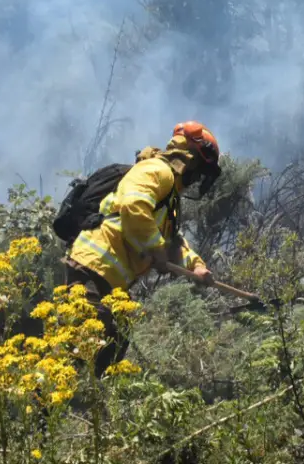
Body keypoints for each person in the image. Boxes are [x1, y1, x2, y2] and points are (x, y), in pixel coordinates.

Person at [65, 121, 222, 376]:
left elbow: (173, 243)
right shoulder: (157, 170)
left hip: (111, 279)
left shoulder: (169, 196)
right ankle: (43, 406)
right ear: (192, 158)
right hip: (92, 265)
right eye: (201, 170)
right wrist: (156, 249)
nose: (198, 179)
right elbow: (134, 206)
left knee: (116, 340)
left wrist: (198, 266)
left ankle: (88, 407)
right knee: (88, 335)